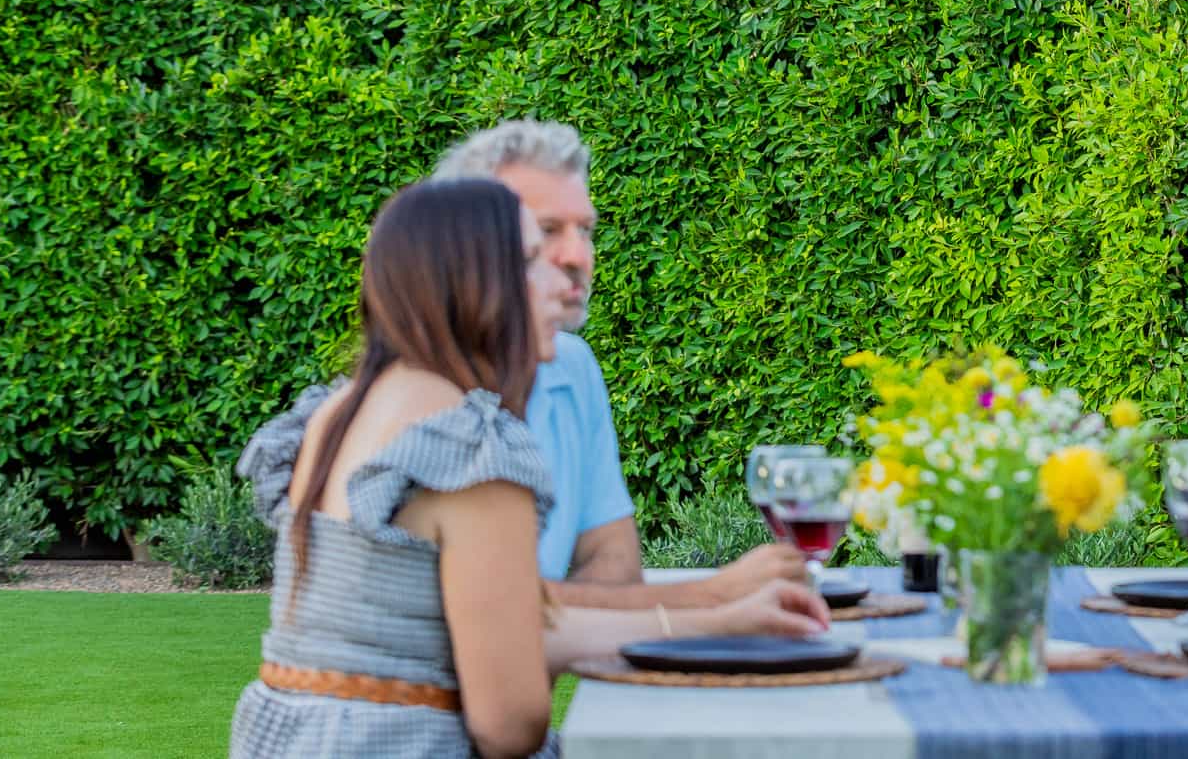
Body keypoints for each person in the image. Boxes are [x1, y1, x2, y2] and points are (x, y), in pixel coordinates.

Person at [231, 179, 827, 759]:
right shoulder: (467, 449)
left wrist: (720, 616)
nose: (563, 278)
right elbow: (508, 724)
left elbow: (494, 624)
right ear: (471, 284)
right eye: (531, 260)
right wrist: (716, 618)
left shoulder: (341, 411)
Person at [431, 120, 802, 609]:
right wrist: (709, 597)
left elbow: (611, 561)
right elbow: (480, 616)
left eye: (585, 230)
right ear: (468, 243)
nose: (576, 256)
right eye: (545, 231)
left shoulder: (570, 366)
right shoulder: (425, 395)